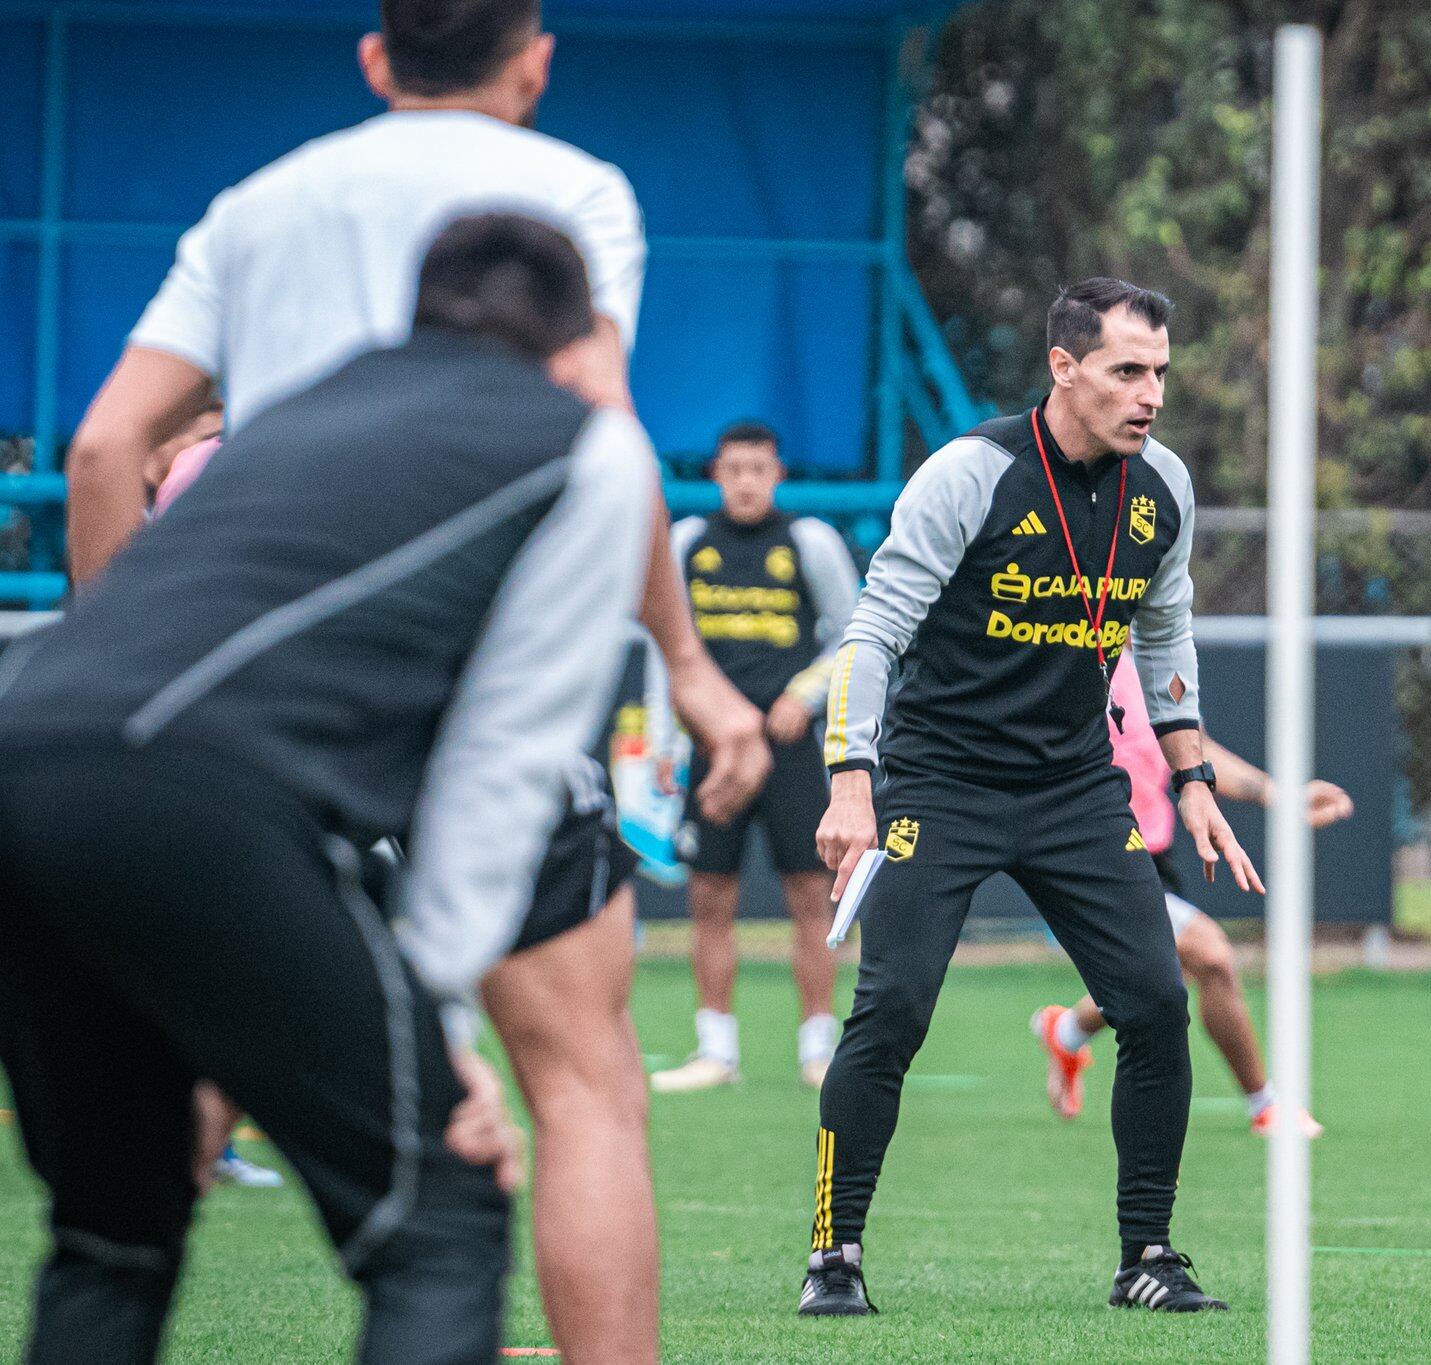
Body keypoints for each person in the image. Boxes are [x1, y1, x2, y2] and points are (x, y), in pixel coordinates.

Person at [57, 5, 770, 1358]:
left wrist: (136, 676)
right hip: (463, 684)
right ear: (536, 60)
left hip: (226, 724)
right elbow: (601, 433)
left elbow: (104, 452)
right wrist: (686, 663)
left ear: (377, 60)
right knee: (579, 1084)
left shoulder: (257, 204)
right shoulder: (567, 192)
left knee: (155, 1149)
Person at [0, 213, 641, 1363]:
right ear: (574, 340)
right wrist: (438, 1030)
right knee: (442, 1208)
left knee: (112, 1240)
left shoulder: (306, 404)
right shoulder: (581, 447)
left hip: (25, 753)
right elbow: (498, 771)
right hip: (200, 798)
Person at [799, 278, 1259, 1318]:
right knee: (893, 1010)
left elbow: (1163, 635)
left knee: (1153, 1003)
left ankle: (1147, 1254)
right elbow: (871, 634)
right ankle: (834, 1253)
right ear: (1063, 368)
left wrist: (1191, 778)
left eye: (1158, 374)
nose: (1148, 395)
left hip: (1072, 789)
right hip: (938, 781)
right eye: (1124, 371)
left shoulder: (1162, 489)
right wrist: (850, 783)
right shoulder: (970, 474)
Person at [1031, 654, 1351, 1136]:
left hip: (1147, 851)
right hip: (1087, 849)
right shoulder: (1060, 650)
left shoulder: (1148, 658)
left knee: (1159, 971)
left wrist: (1276, 793)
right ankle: (1265, 1105)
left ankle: (1065, 1032)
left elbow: (1189, 748)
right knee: (1212, 954)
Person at [652, 422, 860, 1093]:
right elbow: (668, 650)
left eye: (759, 468)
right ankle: (716, 1049)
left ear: (777, 474)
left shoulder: (809, 542)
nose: (746, 480)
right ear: (716, 472)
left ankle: (819, 1048)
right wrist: (666, 740)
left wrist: (804, 695)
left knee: (810, 894)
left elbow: (852, 634)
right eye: (734, 468)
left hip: (793, 748)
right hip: (714, 750)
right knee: (709, 894)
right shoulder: (686, 542)